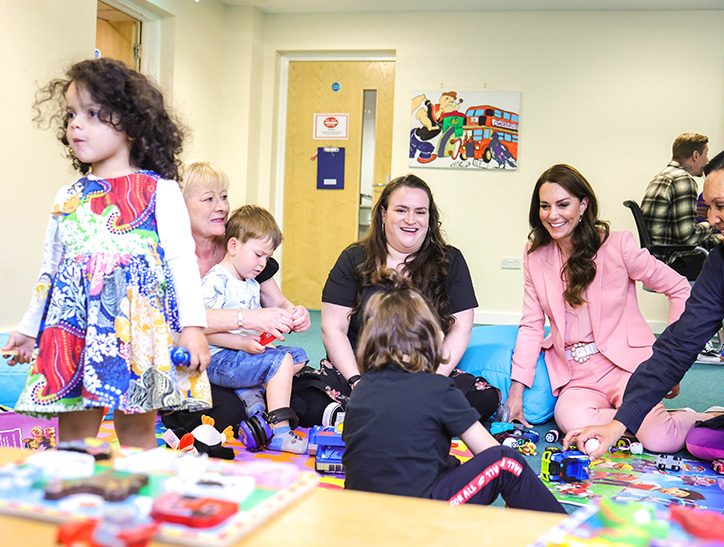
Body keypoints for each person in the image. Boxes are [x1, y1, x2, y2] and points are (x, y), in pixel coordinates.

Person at [565, 144, 724, 483]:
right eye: (708, 207)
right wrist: (619, 424)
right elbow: (678, 346)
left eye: (721, 206)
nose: (710, 219)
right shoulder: (723, 263)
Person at [1, 58, 210, 449]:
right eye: (71, 114)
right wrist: (29, 329)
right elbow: (50, 270)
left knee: (136, 435)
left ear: (132, 123)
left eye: (93, 114)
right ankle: (76, 500)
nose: (76, 124)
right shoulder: (68, 197)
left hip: (135, 330)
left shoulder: (159, 190)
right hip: (73, 330)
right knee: (73, 438)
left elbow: (182, 261)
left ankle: (139, 502)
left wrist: (194, 328)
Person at [506, 164, 711, 454]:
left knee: (660, 442)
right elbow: (531, 325)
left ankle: (708, 418)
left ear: (583, 205)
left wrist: (672, 364)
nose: (553, 215)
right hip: (575, 375)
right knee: (570, 420)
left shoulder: (618, 245)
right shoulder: (534, 254)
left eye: (563, 204)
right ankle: (645, 424)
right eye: (545, 206)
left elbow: (679, 288)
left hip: (627, 366)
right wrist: (516, 392)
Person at [342, 269, 565, 513]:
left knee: (452, 465)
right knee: (506, 462)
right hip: (417, 514)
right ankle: (564, 530)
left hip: (361, 514)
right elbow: (488, 450)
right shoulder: (438, 388)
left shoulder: (361, 390)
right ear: (435, 338)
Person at [317, 174, 502, 426]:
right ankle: (415, 418)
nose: (411, 220)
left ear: (430, 217)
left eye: (420, 212)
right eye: (401, 210)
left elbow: (461, 328)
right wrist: (356, 381)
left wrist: (432, 382)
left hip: (422, 373)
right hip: (359, 373)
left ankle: (369, 417)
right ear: (383, 214)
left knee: (483, 397)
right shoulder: (354, 258)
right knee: (305, 398)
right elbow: (333, 327)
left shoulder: (450, 260)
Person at [160, 160, 311, 433]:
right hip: (192, 358)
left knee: (296, 377)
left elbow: (275, 300)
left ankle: (262, 399)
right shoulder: (167, 254)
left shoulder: (243, 248)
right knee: (227, 413)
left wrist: (293, 311)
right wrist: (248, 319)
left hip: (239, 353)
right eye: (209, 199)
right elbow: (178, 320)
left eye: (224, 196)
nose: (221, 206)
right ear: (182, 207)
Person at [201, 204, 309, 453]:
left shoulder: (250, 280)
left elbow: (274, 307)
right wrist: (242, 343)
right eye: (258, 255)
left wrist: (293, 315)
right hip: (219, 359)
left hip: (241, 354)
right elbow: (201, 327)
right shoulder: (216, 281)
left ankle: (252, 397)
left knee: (298, 357)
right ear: (233, 246)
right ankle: (280, 430)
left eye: (268, 258)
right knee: (280, 363)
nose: (263, 264)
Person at [641, 133, 722, 281]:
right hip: (673, 261)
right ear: (695, 155)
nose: (708, 160)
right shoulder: (683, 180)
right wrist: (713, 223)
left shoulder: (663, 176)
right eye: (706, 155)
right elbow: (688, 237)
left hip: (656, 259)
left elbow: (682, 234)